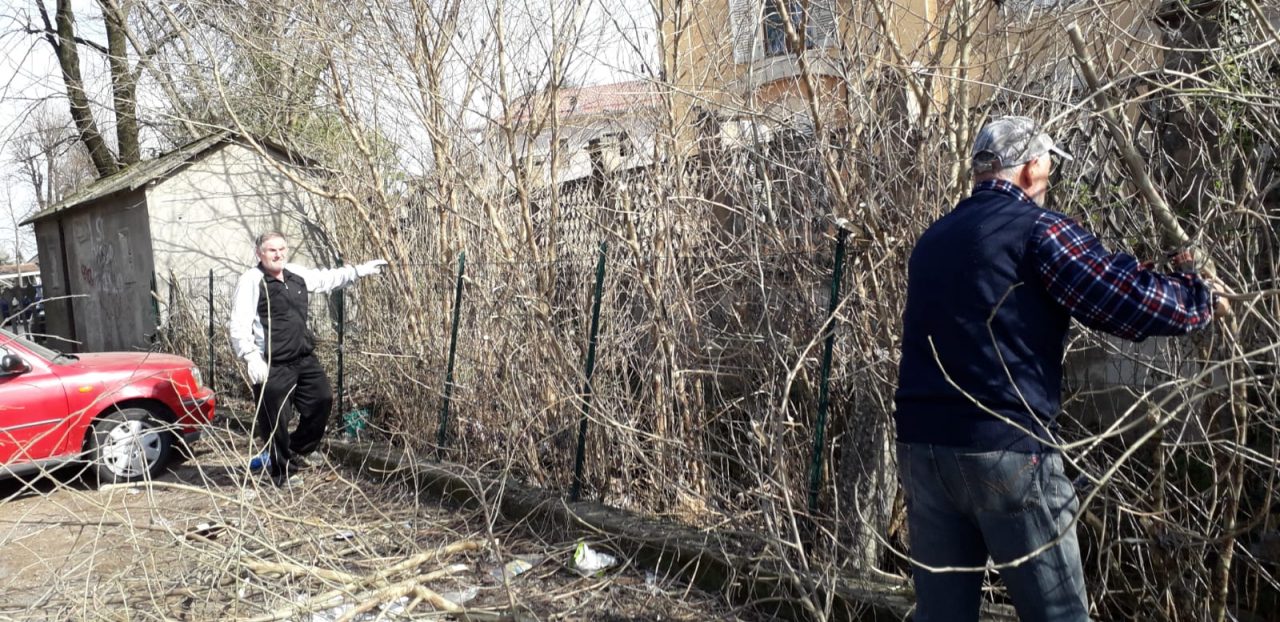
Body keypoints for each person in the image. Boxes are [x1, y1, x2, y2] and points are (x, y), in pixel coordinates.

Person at [893, 116, 1227, 621]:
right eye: (1049, 165)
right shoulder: (1036, 230)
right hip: (1004, 450)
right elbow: (1120, 296)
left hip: (923, 452)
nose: (1050, 177)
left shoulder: (933, 240)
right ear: (1031, 169)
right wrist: (1197, 297)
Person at [228, 232, 387, 487]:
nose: (278, 254)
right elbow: (239, 323)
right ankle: (282, 473)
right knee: (275, 421)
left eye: (282, 249)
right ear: (259, 253)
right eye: (272, 250)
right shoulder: (252, 281)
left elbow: (326, 279)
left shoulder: (295, 274)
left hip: (303, 358)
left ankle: (297, 449)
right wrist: (250, 356)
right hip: (272, 363)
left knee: (322, 400)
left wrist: (358, 271)